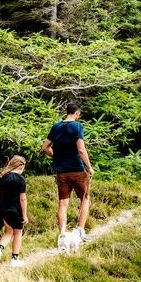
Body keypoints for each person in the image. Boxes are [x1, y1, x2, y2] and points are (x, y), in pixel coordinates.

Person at [42, 102, 94, 250]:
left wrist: (57, 157)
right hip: (77, 170)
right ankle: (80, 230)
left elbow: (45, 147)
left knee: (63, 204)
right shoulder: (77, 126)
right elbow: (81, 150)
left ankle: (63, 235)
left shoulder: (56, 126)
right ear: (76, 113)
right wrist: (89, 167)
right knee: (85, 198)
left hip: (61, 172)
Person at [0, 155, 29, 268]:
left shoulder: (2, 178)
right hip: (15, 211)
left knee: (8, 232)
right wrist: (24, 215)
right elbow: (23, 199)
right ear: (21, 166)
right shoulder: (20, 180)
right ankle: (14, 259)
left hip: (2, 209)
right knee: (18, 233)